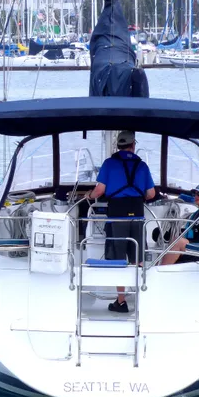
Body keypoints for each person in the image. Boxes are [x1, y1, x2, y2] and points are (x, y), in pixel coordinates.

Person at [85, 131, 155, 313]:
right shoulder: (142, 165)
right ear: (133, 145)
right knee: (137, 258)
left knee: (118, 259)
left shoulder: (109, 164)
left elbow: (100, 191)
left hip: (117, 215)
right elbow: (151, 194)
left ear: (118, 146)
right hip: (137, 215)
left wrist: (88, 196)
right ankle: (142, 298)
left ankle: (121, 301)